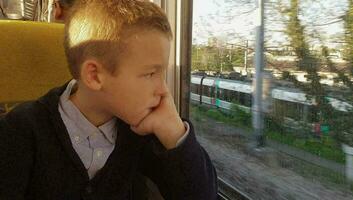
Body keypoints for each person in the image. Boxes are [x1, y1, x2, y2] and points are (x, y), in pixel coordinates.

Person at [0, 0, 217, 199]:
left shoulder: (141, 131)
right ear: (94, 76)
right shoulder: (21, 130)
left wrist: (174, 131)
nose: (163, 90)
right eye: (150, 74)